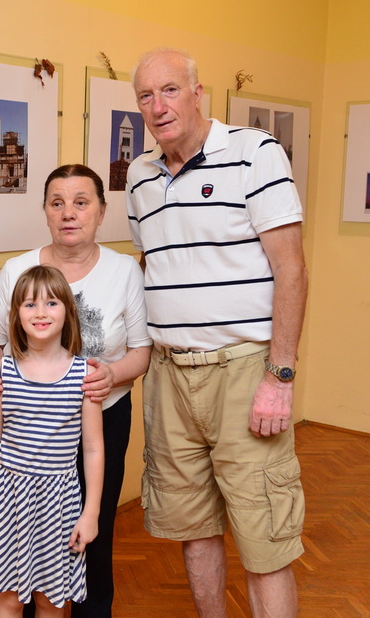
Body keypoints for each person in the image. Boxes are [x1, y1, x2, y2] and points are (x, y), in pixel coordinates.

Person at [125, 48, 308, 617]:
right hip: (169, 377)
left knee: (264, 537)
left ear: (198, 92)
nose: (158, 106)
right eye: (146, 97)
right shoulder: (138, 177)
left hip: (243, 371)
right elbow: (154, 266)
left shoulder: (255, 153)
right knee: (193, 527)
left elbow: (293, 269)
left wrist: (279, 376)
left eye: (170, 90)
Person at [0, 164, 152, 617]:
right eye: (57, 203)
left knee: (90, 529)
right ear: (45, 212)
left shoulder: (123, 272)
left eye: (81, 202)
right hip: (28, 427)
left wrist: (110, 376)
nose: (69, 213)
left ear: (101, 211)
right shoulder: (20, 269)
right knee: (27, 537)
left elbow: (141, 353)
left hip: (102, 418)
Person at [0, 265, 104, 617]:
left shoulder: (85, 375)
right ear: (15, 315)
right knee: (10, 598)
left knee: (52, 600)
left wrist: (90, 513)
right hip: (8, 497)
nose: (41, 312)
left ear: (68, 312)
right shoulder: (3, 369)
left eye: (51, 303)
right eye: (30, 305)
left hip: (59, 501)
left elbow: (92, 448)